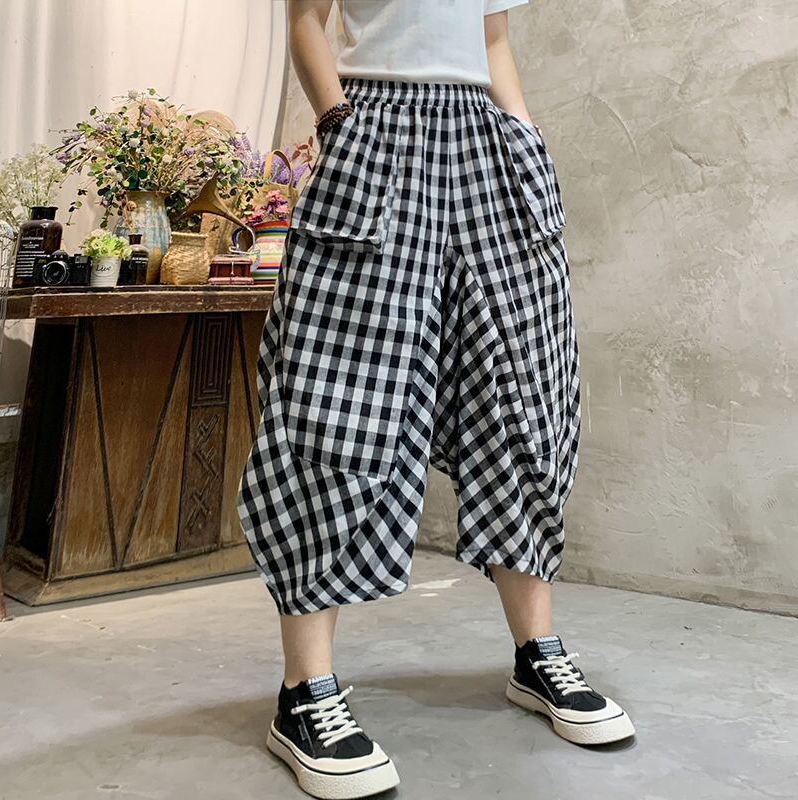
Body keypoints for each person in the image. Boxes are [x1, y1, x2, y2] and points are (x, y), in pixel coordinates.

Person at [238, 1, 634, 797]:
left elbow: (493, 41)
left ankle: (536, 654)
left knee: (524, 395)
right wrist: (340, 123)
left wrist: (526, 139)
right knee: (334, 399)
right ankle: (304, 692)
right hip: (375, 128)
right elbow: (306, 21)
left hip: (487, 143)